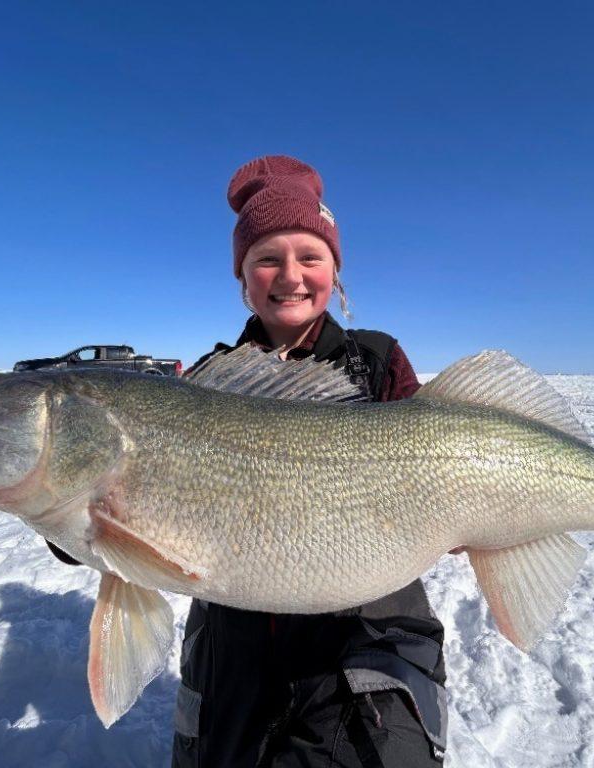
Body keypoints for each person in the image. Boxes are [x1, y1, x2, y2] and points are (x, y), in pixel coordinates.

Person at [170, 155, 448, 768]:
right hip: (234, 636)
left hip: (363, 627)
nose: (290, 276)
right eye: (267, 258)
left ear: (335, 270)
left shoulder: (378, 361)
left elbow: (433, 452)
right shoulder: (208, 382)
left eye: (310, 257)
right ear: (242, 277)